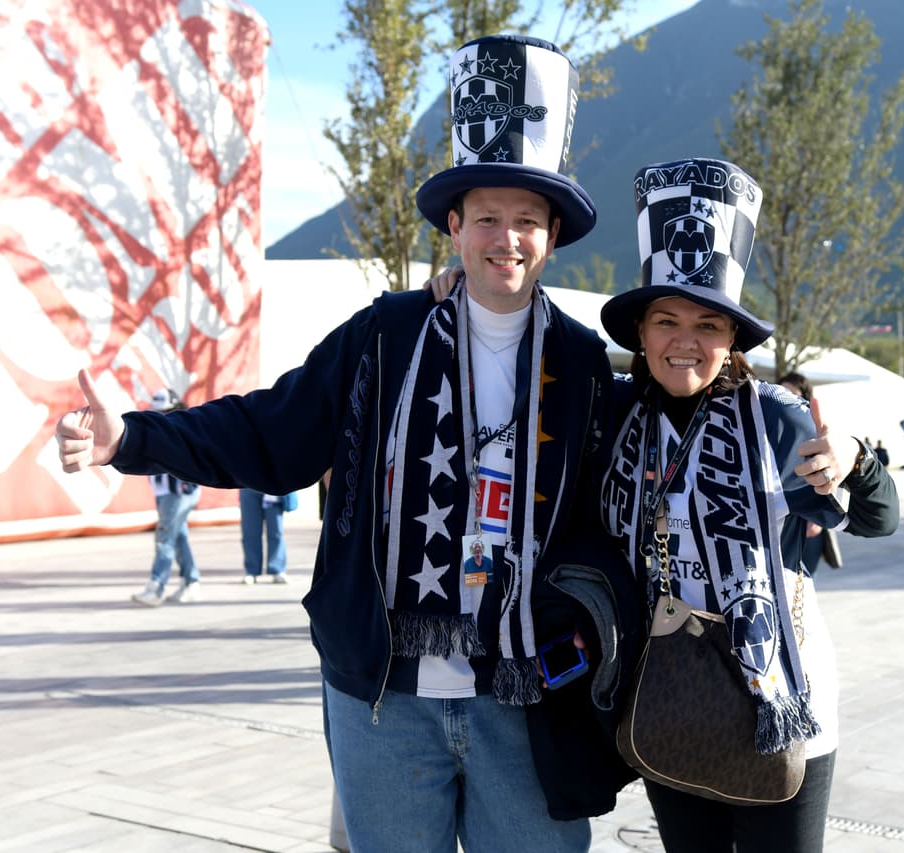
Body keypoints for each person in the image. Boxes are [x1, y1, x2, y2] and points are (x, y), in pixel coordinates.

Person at [57, 35, 626, 852]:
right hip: (386, 701)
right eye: (490, 217)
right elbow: (271, 429)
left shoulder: (582, 366)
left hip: (527, 697)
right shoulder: (385, 336)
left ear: (552, 233)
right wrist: (130, 437)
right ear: (455, 225)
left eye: (528, 219)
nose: (508, 237)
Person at [597, 157, 899, 853]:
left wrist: (857, 457)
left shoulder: (773, 417)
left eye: (708, 324)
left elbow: (880, 520)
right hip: (671, 697)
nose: (686, 341)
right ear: (641, 334)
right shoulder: (618, 422)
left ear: (733, 338)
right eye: (667, 320)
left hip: (780, 703)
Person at [132, 389, 201, 606]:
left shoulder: (183, 427)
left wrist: (187, 486)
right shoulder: (157, 428)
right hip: (165, 493)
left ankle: (156, 588)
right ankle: (191, 582)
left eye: (165, 411)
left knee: (164, 538)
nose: (161, 416)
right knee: (178, 537)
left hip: (178, 492)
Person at [779, 372, 825, 574]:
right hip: (779, 517)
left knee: (803, 584)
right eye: (782, 393)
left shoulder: (815, 433)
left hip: (806, 517)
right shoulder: (768, 429)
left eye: (793, 395)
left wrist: (816, 518)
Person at [239, 489, 289, 584]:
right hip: (247, 485)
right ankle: (251, 570)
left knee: (276, 531)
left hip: (271, 485)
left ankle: (278, 569)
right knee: (250, 531)